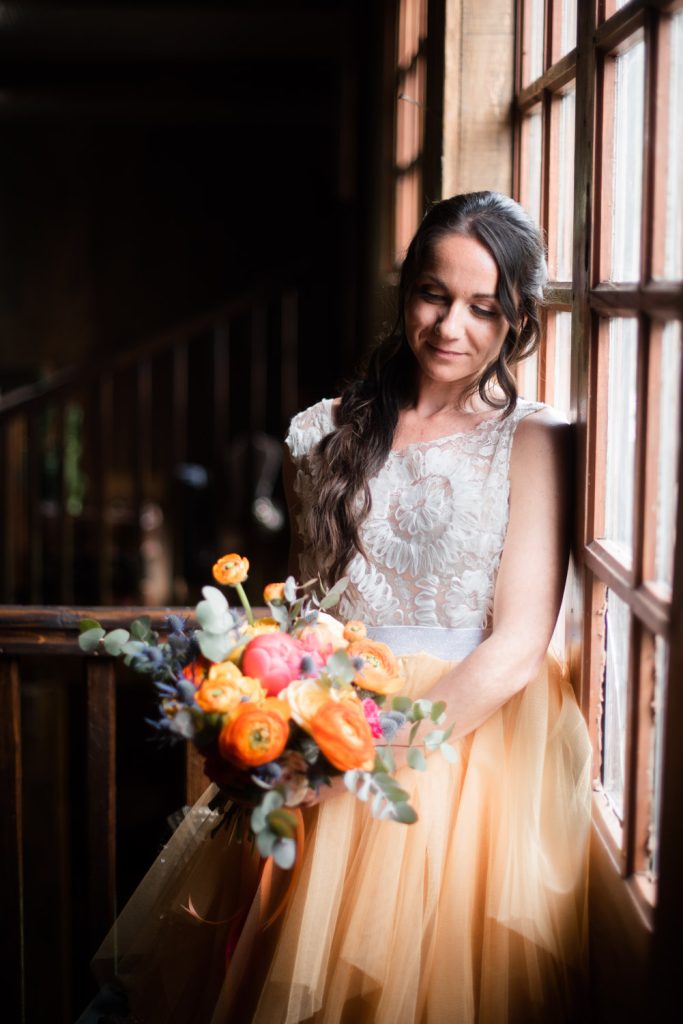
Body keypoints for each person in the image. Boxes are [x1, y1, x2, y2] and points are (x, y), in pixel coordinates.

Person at [82, 191, 591, 1023]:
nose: (449, 327)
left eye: (482, 307)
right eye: (432, 293)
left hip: (452, 749)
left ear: (518, 320)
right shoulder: (323, 431)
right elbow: (299, 610)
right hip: (321, 721)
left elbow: (517, 647)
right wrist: (270, 729)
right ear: (404, 289)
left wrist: (356, 761)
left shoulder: (533, 440)